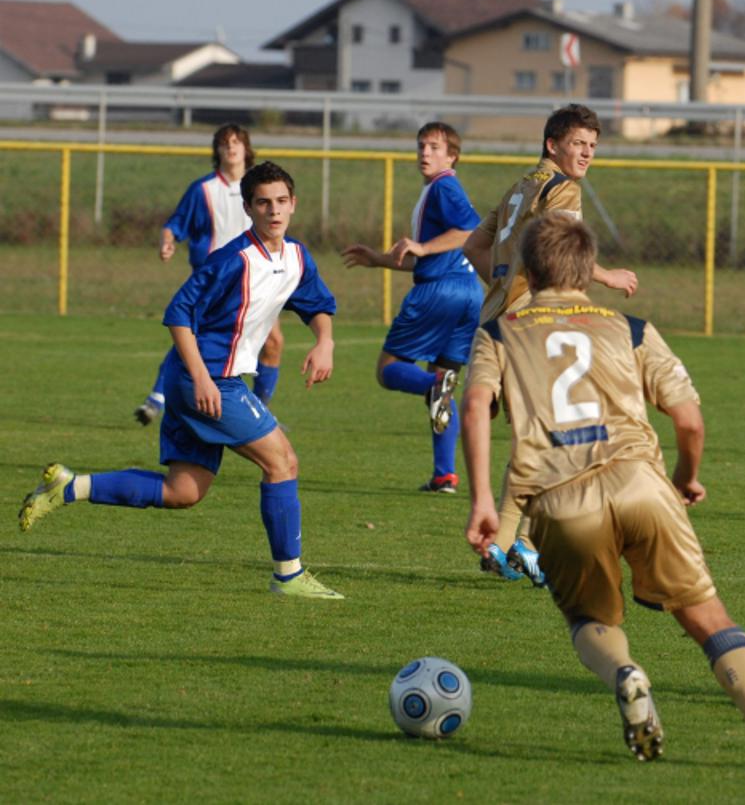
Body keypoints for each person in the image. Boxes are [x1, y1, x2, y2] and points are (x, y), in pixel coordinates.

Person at [460, 213, 745, 772]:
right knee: (707, 617)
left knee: (588, 620)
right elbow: (689, 420)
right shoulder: (633, 328)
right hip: (641, 483)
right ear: (586, 270)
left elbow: (476, 405)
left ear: (528, 267)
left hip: (558, 497)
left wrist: (483, 499)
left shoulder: (499, 331)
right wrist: (686, 476)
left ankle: (624, 672)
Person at [19, 161, 344, 600]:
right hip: (207, 380)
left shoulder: (296, 256)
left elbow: (317, 302)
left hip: (204, 379)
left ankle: (70, 486)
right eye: (263, 202)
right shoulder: (233, 260)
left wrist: (324, 341)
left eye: (281, 201)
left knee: (183, 491)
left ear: (293, 205)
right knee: (282, 462)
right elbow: (178, 315)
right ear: (248, 208)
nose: (274, 210)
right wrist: (202, 379)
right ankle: (288, 575)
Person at [462, 103, 638, 582]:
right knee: (564, 435)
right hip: (532, 326)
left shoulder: (521, 186)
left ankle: (512, 544)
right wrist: (607, 275)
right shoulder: (563, 189)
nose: (586, 154)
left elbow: (473, 247)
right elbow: (561, 246)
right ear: (552, 144)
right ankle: (521, 543)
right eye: (578, 144)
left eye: (592, 146)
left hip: (495, 321)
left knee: (538, 438)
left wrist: (502, 285)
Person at [341, 122, 483, 494]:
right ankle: (445, 475)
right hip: (468, 292)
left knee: (389, 371)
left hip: (439, 292)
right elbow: (426, 256)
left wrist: (421, 247)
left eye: (435, 147)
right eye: (421, 146)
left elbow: (470, 231)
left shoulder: (445, 186)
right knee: (443, 392)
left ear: (452, 156)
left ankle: (434, 384)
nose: (425, 153)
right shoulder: (436, 190)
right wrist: (379, 259)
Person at [134, 124, 286, 425]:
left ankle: (259, 410)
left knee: (273, 343)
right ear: (217, 150)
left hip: (258, 281)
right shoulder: (203, 189)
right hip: (215, 284)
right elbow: (176, 224)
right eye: (225, 143)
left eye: (237, 142)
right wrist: (167, 241)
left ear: (246, 148)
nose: (231, 148)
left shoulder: (261, 191)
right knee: (193, 338)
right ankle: (156, 398)